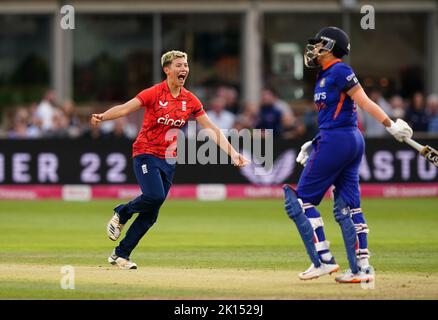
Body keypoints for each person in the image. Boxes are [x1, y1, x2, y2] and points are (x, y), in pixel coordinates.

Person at [90, 50, 249, 269]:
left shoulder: (190, 100)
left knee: (151, 215)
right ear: (167, 70)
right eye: (178, 65)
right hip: (145, 152)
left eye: (185, 65)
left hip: (169, 159)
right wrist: (103, 116)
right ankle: (122, 211)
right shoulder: (154, 93)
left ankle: (120, 255)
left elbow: (211, 128)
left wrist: (233, 153)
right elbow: (126, 108)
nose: (184, 69)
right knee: (154, 196)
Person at [283, 27, 413, 283]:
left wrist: (390, 125)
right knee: (349, 207)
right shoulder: (324, 75)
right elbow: (334, 114)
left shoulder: (340, 70)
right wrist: (315, 140)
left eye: (319, 44)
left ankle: (323, 260)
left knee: (302, 201)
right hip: (343, 139)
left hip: (339, 139)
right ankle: (362, 268)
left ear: (330, 47)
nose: (314, 48)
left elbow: (363, 101)